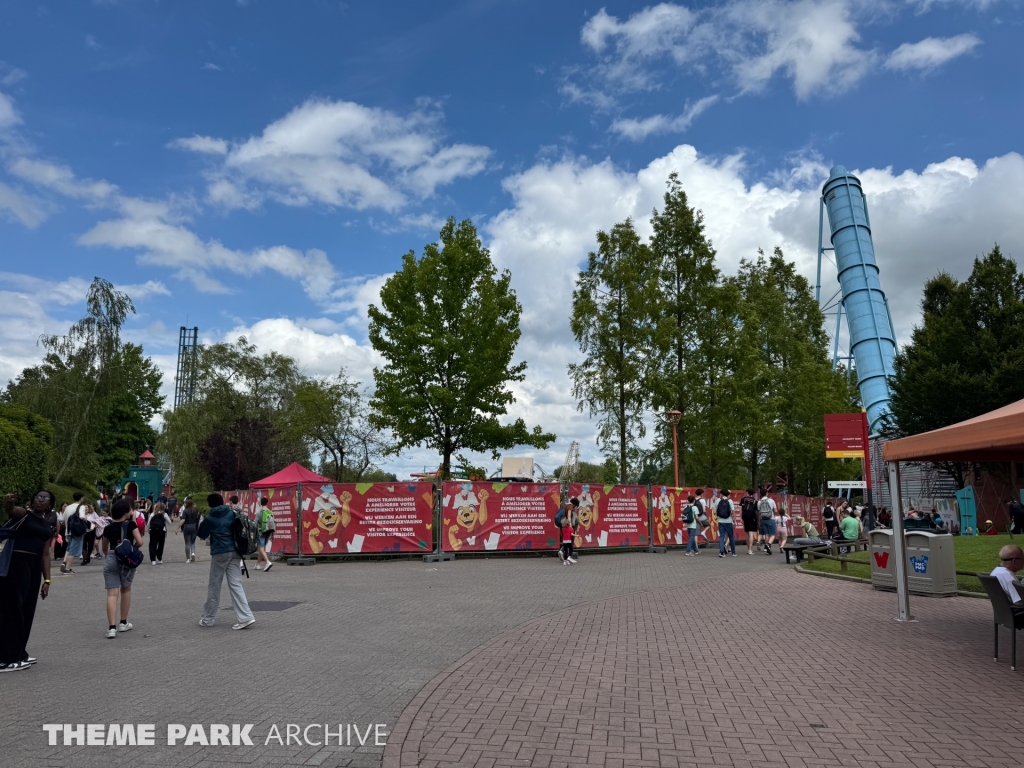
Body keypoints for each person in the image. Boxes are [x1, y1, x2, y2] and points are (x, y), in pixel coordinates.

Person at [0, 492, 54, 672]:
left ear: (50, 504)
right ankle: (7, 658)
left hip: (33, 568)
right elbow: (11, 511)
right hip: (16, 565)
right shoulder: (24, 514)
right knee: (13, 611)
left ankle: (20, 652)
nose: (40, 500)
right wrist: (9, 502)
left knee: (27, 611)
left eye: (45, 498)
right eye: (38, 497)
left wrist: (47, 580)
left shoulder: (48, 525)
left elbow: (46, 554)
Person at [197, 493, 255, 630]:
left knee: (214, 586)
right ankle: (246, 617)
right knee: (236, 584)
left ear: (210, 504)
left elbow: (201, 534)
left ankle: (208, 619)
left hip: (220, 552)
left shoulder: (210, 518)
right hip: (235, 551)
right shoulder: (231, 513)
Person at [101, 499, 144, 639]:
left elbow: (104, 549)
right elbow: (140, 542)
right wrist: (131, 549)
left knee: (111, 594)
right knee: (126, 589)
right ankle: (123, 622)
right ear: (126, 512)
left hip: (112, 558)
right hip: (126, 561)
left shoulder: (107, 528)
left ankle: (111, 628)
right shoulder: (131, 524)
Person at [990, 545, 1024, 615]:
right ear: (1014, 560)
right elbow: (1019, 602)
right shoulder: (1008, 578)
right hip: (1018, 614)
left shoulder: (995, 572)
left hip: (1004, 614)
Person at [61, 492, 89, 575]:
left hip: (68, 531)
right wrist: (86, 521)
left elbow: (63, 519)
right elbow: (82, 516)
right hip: (77, 531)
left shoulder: (68, 507)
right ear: (81, 498)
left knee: (69, 548)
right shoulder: (81, 507)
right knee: (73, 549)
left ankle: (64, 562)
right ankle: (67, 568)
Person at [177, 497, 200, 562]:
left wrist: (178, 527)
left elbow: (183, 520)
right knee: (193, 542)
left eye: (185, 503)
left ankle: (188, 558)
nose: (184, 504)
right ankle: (193, 553)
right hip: (194, 527)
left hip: (187, 526)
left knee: (187, 543)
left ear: (187, 504)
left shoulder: (185, 511)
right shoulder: (195, 510)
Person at [255, 496, 275, 571]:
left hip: (261, 532)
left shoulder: (259, 513)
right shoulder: (270, 512)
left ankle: (268, 562)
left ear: (260, 503)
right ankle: (258, 564)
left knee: (261, 548)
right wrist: (273, 535)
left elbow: (255, 523)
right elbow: (273, 524)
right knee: (262, 548)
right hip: (268, 532)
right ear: (267, 503)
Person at [716, 491, 736, 558]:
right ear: (728, 495)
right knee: (731, 537)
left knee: (721, 536)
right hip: (729, 521)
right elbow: (733, 512)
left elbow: (715, 510)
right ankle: (733, 552)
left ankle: (721, 552)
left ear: (721, 494)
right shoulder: (730, 501)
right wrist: (735, 521)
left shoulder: (718, 500)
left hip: (721, 521)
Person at [739, 490, 758, 555]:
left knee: (746, 532)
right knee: (751, 533)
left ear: (747, 493)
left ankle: (748, 549)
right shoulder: (755, 501)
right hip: (752, 517)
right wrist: (757, 520)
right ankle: (750, 549)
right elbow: (756, 511)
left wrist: (741, 518)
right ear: (753, 494)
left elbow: (740, 509)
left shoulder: (743, 499)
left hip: (745, 517)